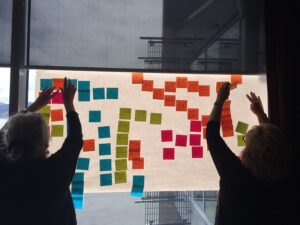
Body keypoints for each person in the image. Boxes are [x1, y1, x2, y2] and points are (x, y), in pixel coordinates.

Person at [207, 82, 294, 225]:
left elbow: (211, 135)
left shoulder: (236, 177)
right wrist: (261, 115)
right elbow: (274, 145)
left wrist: (219, 100)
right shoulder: (285, 178)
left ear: (251, 154)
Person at [0, 78, 83, 225]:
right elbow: (75, 139)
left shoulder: (3, 166)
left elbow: (74, 140)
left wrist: (38, 105)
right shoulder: (54, 172)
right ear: (45, 145)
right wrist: (68, 104)